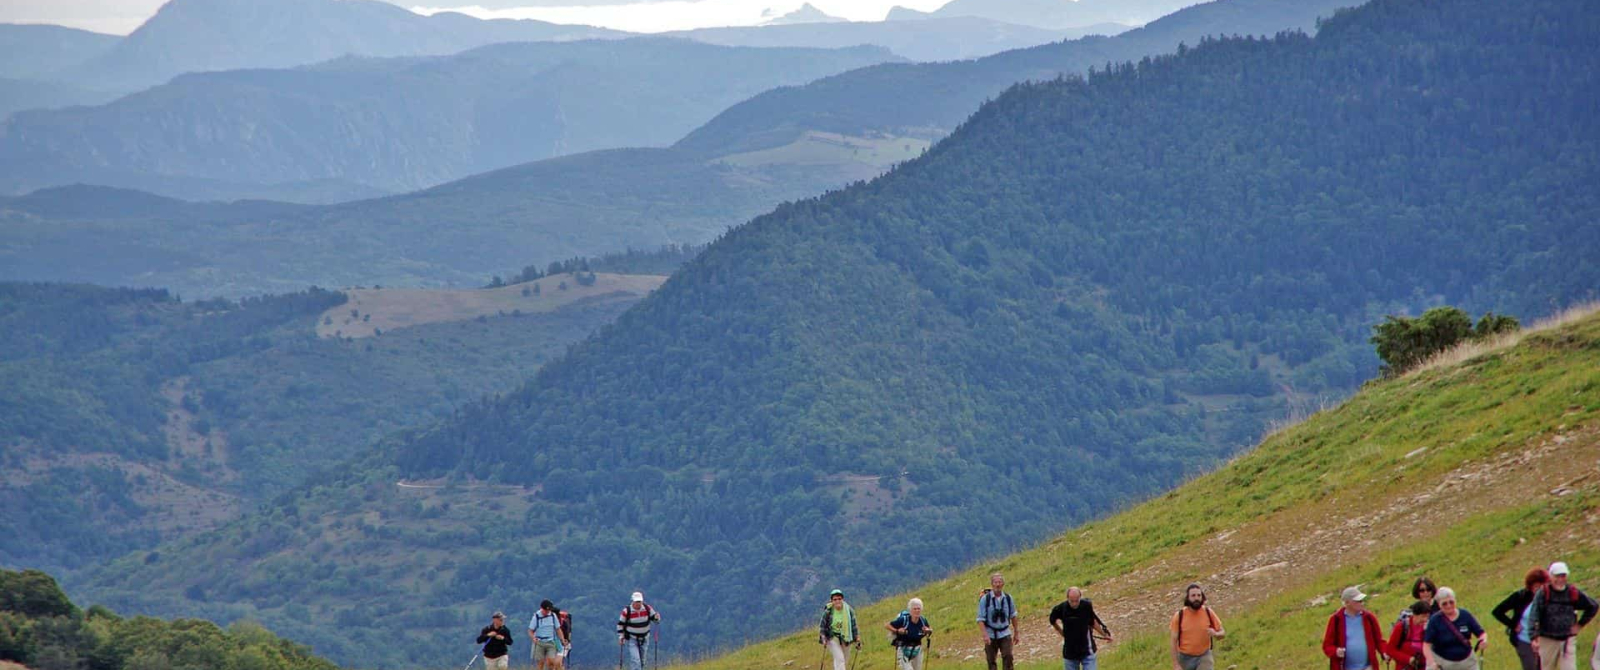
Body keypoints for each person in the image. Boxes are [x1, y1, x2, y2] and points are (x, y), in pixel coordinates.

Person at [1529, 562, 1599, 670]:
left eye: (1563, 576)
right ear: (1551, 577)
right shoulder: (1543, 593)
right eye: (1557, 576)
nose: (1560, 579)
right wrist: (1533, 637)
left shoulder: (1572, 592)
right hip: (1547, 639)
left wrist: (1580, 625)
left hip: (1567, 640)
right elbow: (1534, 614)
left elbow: (1593, 606)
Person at [1492, 568, 1551, 670]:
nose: (1540, 590)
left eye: (1543, 586)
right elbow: (1497, 611)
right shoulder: (1520, 596)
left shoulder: (1551, 597)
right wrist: (1513, 625)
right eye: (1536, 587)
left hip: (1546, 640)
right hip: (1525, 640)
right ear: (1530, 586)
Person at [1424, 586, 1488, 670]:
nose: (1449, 605)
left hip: (1467, 662)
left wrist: (1483, 640)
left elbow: (1481, 633)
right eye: (1444, 603)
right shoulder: (1434, 620)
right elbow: (1426, 645)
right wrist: (1431, 662)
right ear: (1439, 604)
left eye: (1451, 602)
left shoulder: (1465, 615)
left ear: (1455, 601)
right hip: (1443, 663)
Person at [1322, 586, 1385, 670]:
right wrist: (1336, 651)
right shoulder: (1336, 620)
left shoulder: (1369, 618)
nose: (1362, 603)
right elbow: (1327, 645)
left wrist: (1385, 652)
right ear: (1347, 603)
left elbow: (1379, 640)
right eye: (1358, 601)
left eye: (1362, 601)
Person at [1050, 586, 1111, 670]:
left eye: (1077, 601)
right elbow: (1052, 620)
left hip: (1087, 651)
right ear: (1067, 598)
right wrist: (1062, 633)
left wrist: (1104, 634)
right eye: (1072, 601)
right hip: (1070, 653)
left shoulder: (1086, 606)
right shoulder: (1060, 608)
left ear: (1080, 597)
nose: (1074, 604)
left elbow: (1092, 622)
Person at [1172, 583, 1224, 670]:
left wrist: (1216, 634)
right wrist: (1176, 664)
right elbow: (1173, 642)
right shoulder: (1179, 616)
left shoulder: (1208, 612)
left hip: (1204, 656)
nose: (1196, 598)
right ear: (1187, 598)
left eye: (1199, 595)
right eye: (1193, 595)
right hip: (1184, 658)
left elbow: (1222, 633)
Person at [978, 573, 1019, 670]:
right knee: (991, 660)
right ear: (992, 584)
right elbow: (980, 619)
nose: (998, 584)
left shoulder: (1008, 598)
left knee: (1008, 657)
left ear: (1003, 584)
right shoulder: (985, 599)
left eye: (1000, 582)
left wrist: (1016, 632)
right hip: (990, 634)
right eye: (995, 582)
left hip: (1005, 633)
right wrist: (985, 635)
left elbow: (1013, 615)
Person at [885, 597, 934, 670]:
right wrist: (897, 631)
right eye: (915, 609)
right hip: (903, 649)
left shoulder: (923, 620)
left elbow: (930, 629)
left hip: (917, 650)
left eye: (919, 608)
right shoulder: (904, 620)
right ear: (910, 610)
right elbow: (887, 625)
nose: (917, 611)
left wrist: (928, 630)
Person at [617, 591, 661, 670]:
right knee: (636, 661)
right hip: (632, 639)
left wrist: (657, 617)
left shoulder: (647, 608)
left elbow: (655, 620)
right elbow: (621, 624)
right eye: (637, 601)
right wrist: (621, 637)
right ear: (633, 601)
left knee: (642, 661)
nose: (638, 603)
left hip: (645, 639)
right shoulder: (627, 611)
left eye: (640, 601)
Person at [818, 589, 860, 670]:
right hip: (832, 638)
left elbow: (854, 626)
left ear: (842, 599)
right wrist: (823, 639)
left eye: (839, 599)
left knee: (843, 660)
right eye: (835, 599)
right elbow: (822, 626)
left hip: (846, 638)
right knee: (840, 659)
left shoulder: (849, 611)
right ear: (831, 601)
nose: (837, 601)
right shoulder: (828, 611)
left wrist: (857, 638)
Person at [1386, 601, 1431, 670]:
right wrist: (1408, 659)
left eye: (1427, 616)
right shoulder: (1401, 627)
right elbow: (1390, 650)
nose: (1425, 619)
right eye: (1423, 616)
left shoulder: (1428, 628)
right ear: (1415, 615)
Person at [529, 600, 564, 670]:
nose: (547, 612)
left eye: (548, 610)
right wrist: (533, 638)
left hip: (551, 641)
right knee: (540, 663)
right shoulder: (536, 616)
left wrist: (562, 639)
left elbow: (558, 629)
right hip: (539, 642)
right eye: (545, 610)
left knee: (551, 662)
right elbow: (530, 630)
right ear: (541, 608)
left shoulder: (553, 616)